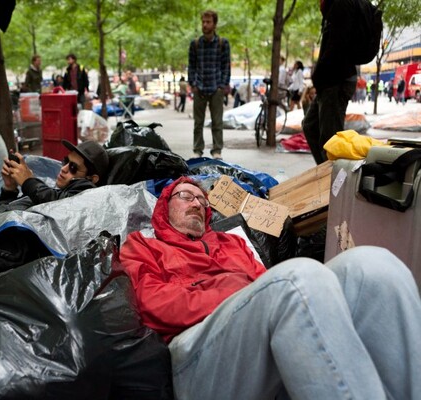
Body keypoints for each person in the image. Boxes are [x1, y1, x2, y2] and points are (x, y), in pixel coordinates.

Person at [120, 176, 421, 400]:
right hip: (193, 354)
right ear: (164, 206)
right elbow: (152, 304)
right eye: (186, 196)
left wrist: (249, 294)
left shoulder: (231, 242)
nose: (197, 203)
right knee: (295, 279)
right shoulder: (144, 245)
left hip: (249, 337)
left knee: (373, 266)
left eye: (202, 200)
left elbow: (263, 287)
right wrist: (234, 290)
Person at [302, 0, 357, 165]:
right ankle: (325, 174)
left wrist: (318, 75)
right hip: (328, 83)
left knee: (330, 142)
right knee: (310, 126)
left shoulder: (340, 7)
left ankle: (333, 181)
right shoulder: (332, 11)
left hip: (336, 82)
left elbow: (336, 48)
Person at [188, 10, 231, 159]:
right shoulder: (195, 44)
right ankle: (197, 150)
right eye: (203, 22)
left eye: (208, 22)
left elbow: (226, 66)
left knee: (217, 122)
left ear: (214, 24)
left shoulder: (222, 44)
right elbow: (191, 66)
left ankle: (217, 150)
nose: (205, 25)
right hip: (199, 87)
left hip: (216, 88)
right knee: (198, 122)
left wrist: (222, 86)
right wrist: (193, 83)